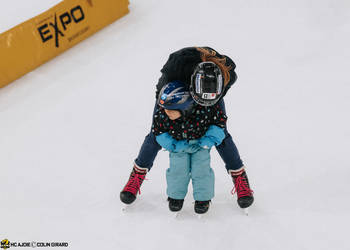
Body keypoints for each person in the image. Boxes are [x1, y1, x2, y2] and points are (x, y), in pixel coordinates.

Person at [120, 47, 254, 209]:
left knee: (222, 135)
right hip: (176, 90)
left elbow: (217, 121)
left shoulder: (227, 77)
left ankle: (240, 179)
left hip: (210, 94)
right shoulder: (173, 74)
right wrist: (169, 113)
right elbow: (161, 108)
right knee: (155, 135)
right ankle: (136, 177)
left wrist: (210, 115)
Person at [154, 81, 226, 214]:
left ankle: (203, 199)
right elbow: (158, 131)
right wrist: (173, 145)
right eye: (164, 109)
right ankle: (175, 197)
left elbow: (219, 123)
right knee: (177, 171)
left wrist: (208, 141)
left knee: (202, 171)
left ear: (184, 107)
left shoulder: (204, 110)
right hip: (178, 147)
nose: (166, 112)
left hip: (200, 146)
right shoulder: (164, 115)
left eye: (170, 110)